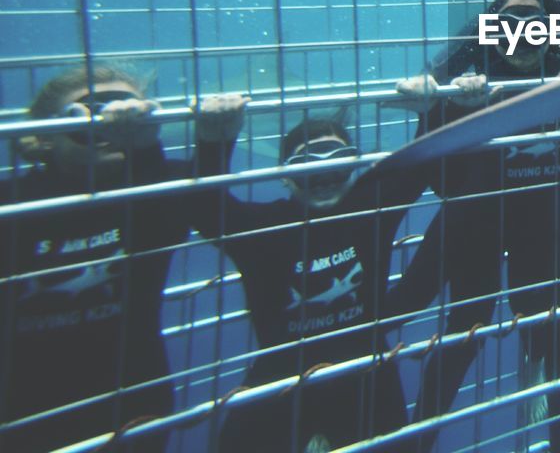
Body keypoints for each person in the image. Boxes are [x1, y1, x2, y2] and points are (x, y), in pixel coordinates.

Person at [388, 0, 560, 452]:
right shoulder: (476, 83)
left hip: (546, 223)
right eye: (510, 23)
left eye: (534, 23)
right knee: (454, 334)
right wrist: (444, 107)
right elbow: (443, 183)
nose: (522, 34)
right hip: (474, 220)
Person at [0, 65, 241, 452]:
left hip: (134, 409)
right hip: (21, 415)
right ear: (44, 135)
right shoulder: (11, 206)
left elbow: (208, 214)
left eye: (128, 109)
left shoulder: (160, 184)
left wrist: (208, 142)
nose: (112, 121)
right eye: (90, 110)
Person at [188, 103, 445, 453]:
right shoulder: (264, 229)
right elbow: (206, 207)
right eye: (308, 167)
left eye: (337, 164)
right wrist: (214, 139)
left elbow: (421, 165)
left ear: (353, 166)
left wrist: (430, 107)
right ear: (284, 174)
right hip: (283, 381)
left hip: (367, 376)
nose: (324, 179)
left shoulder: (370, 211)